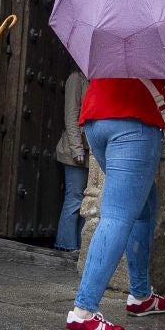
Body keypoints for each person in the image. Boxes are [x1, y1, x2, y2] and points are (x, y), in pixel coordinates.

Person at [65, 74, 165, 330]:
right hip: (134, 120)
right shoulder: (162, 37)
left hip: (96, 118)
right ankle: (83, 313)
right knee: (118, 215)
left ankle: (141, 296)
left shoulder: (114, 33)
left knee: (143, 205)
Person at [54, 69, 90, 252]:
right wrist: (77, 149)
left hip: (90, 150)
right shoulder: (76, 78)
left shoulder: (96, 79)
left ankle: (79, 246)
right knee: (74, 198)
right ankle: (66, 245)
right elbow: (71, 115)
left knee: (86, 200)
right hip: (74, 150)